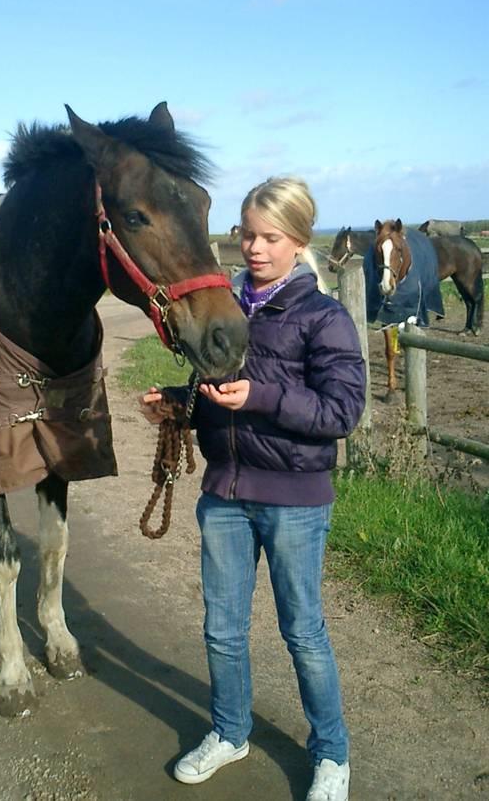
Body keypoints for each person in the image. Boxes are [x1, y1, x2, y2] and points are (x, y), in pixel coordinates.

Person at [139, 177, 365, 801]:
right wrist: (180, 404)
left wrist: (262, 396)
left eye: (270, 237)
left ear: (298, 241)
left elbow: (343, 411)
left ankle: (332, 755)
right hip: (224, 496)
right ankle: (231, 731)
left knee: (304, 633)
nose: (255, 248)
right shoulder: (228, 310)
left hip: (295, 500)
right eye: (247, 235)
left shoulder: (323, 316)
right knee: (222, 629)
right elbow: (220, 395)